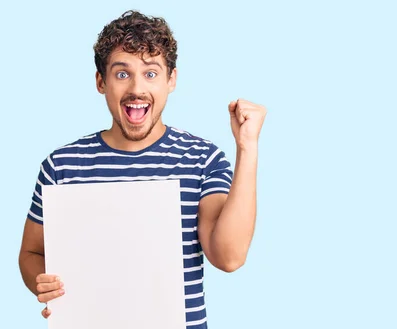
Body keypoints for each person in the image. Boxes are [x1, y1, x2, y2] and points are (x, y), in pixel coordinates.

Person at [18, 9, 266, 329]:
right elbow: (30, 253)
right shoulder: (61, 166)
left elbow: (229, 257)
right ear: (100, 81)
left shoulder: (203, 159)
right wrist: (44, 284)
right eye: (122, 74)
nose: (137, 88)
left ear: (171, 80)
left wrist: (247, 147)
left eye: (151, 73)